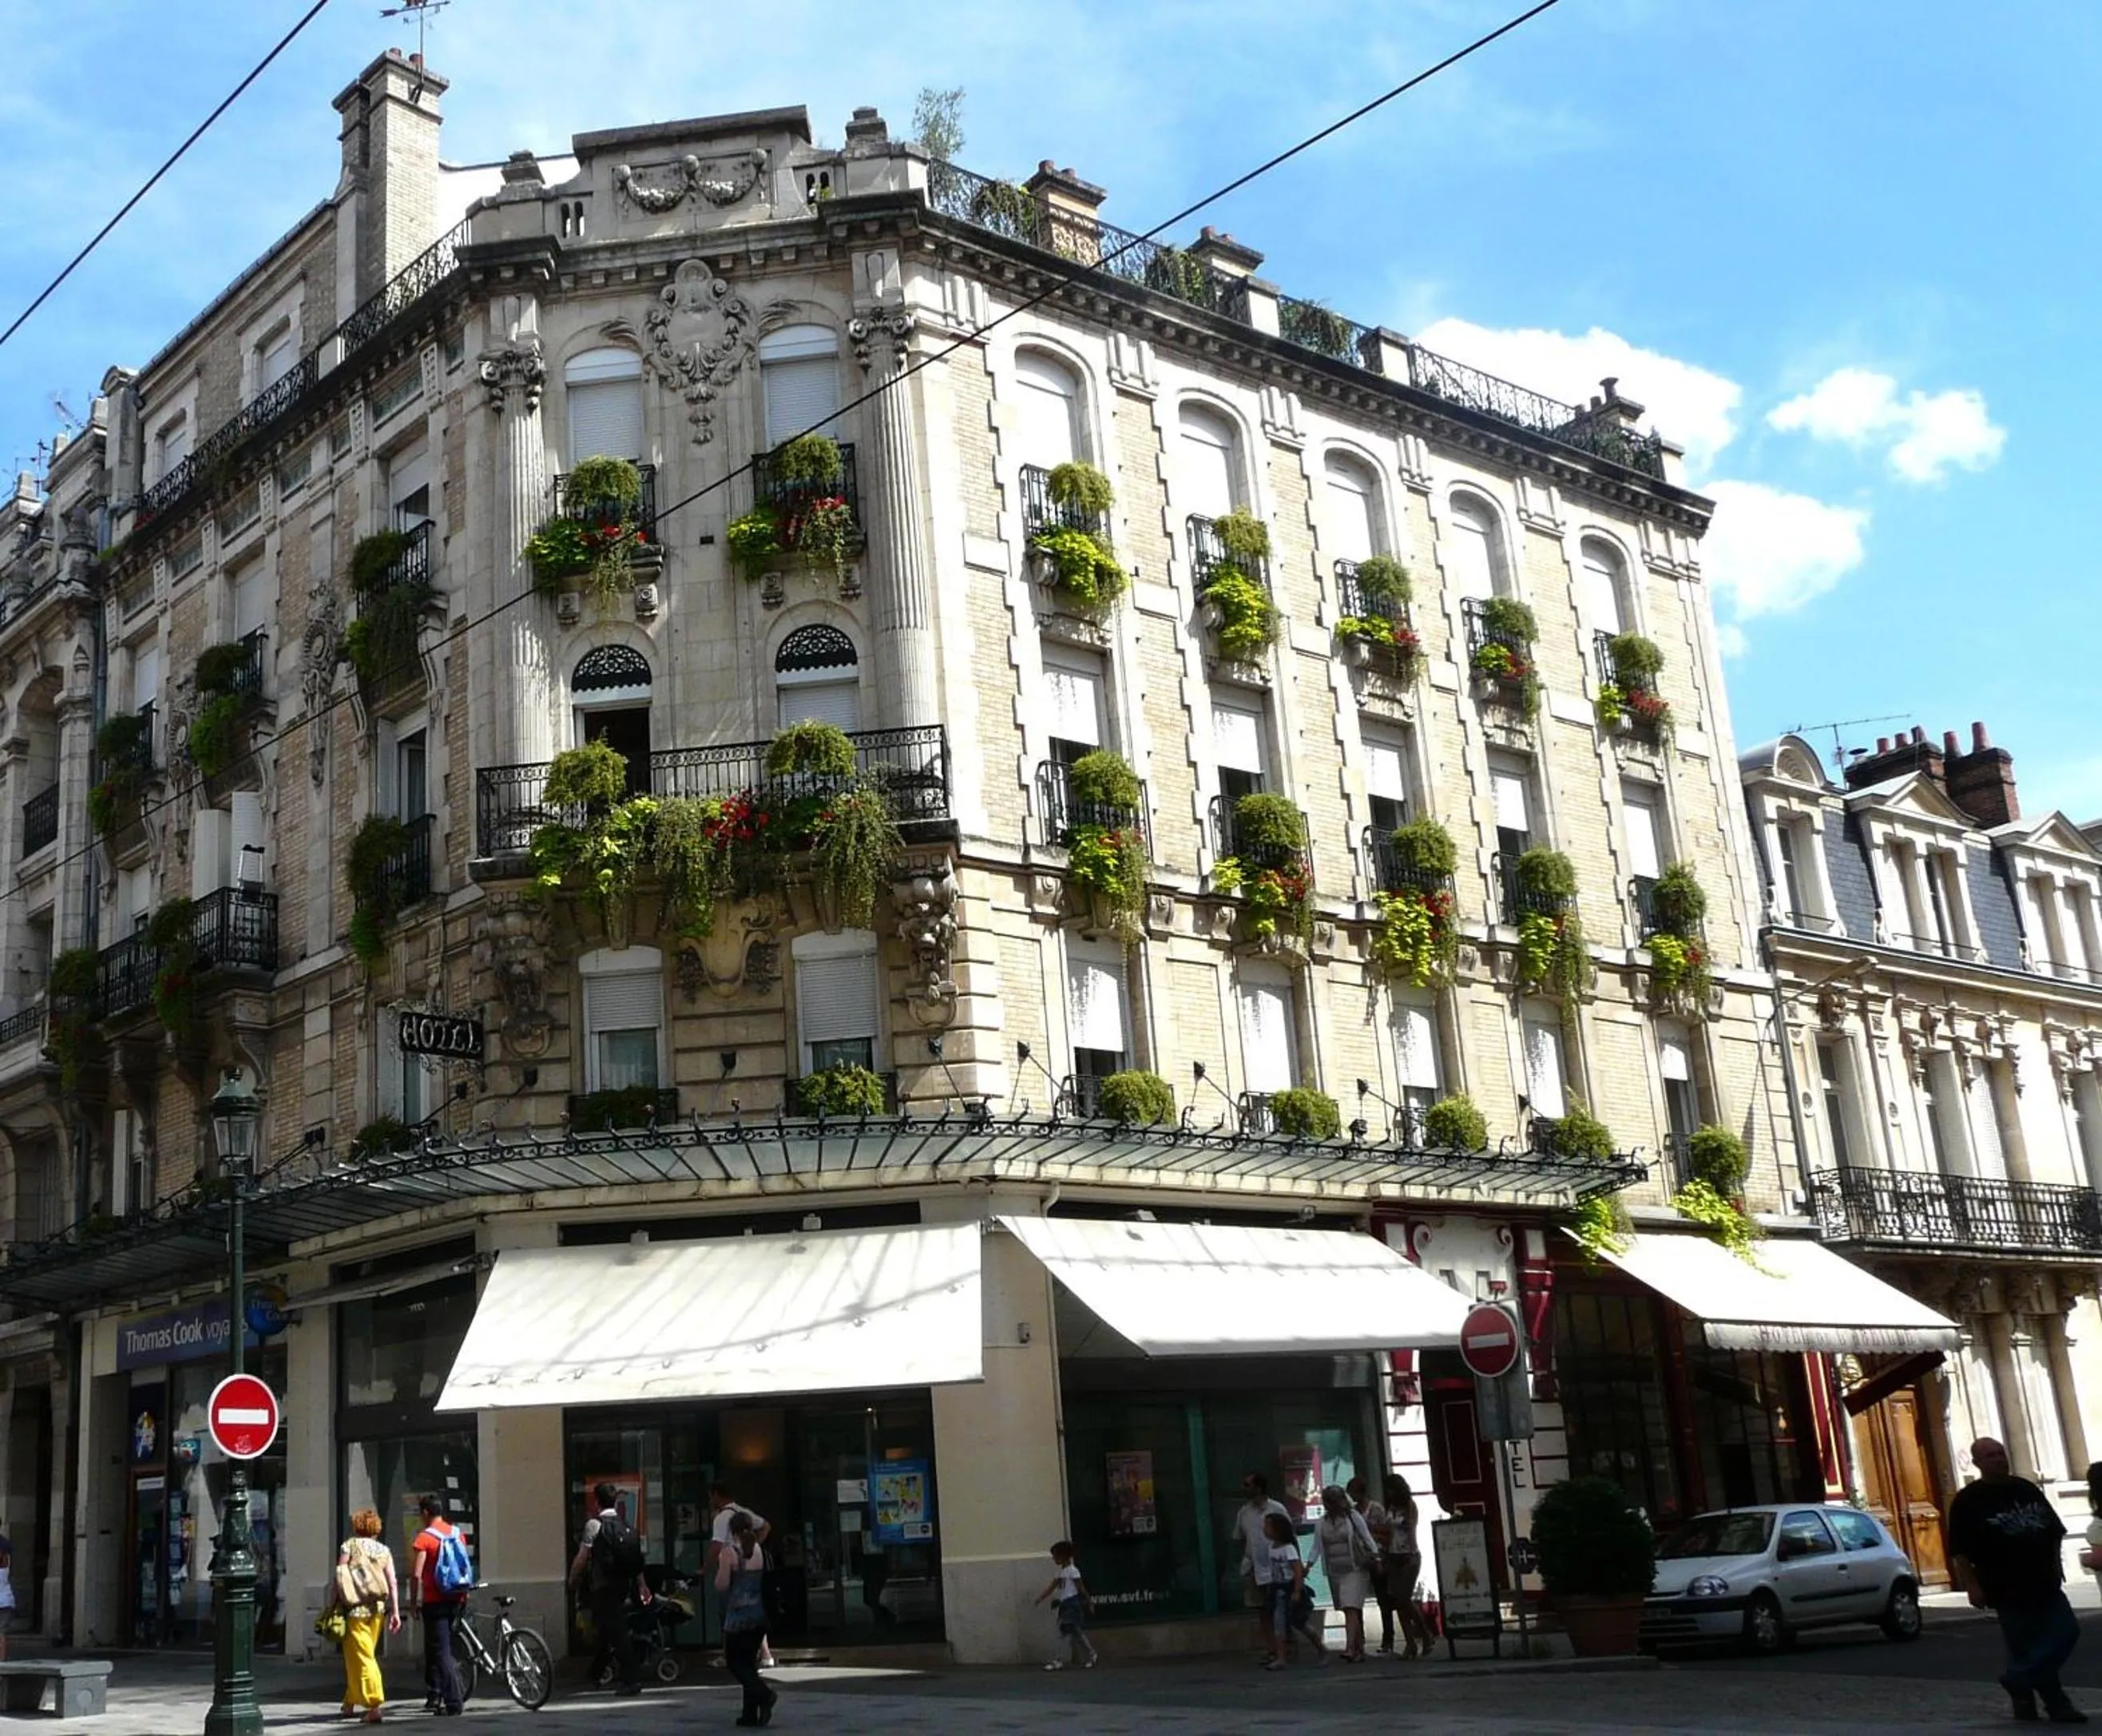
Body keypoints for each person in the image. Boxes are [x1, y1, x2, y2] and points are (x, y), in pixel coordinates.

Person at [1948, 1437, 2085, 1725]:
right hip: (2004, 1586)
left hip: (2045, 1581)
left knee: (2065, 1631)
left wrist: (2057, 1564)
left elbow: (2054, 1529)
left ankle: (2018, 1678)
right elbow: (1960, 1550)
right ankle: (2044, 1704)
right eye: (1991, 1456)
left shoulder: (2026, 1489)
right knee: (2024, 1644)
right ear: (1978, 1463)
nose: (1999, 1459)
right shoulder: (1968, 1500)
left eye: (2001, 1453)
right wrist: (1972, 1585)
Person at [569, 1483, 651, 1697]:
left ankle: (632, 1679)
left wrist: (572, 1579)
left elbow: (582, 1557)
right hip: (623, 1586)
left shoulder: (595, 1525)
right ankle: (595, 1673)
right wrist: (642, 1585)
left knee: (617, 1633)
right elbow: (636, 1561)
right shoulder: (626, 1525)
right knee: (606, 1630)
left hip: (603, 1587)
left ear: (597, 1502)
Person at [332, 1508, 401, 1725]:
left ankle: (374, 1705)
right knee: (361, 1655)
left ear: (357, 1526)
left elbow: (340, 1576)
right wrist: (396, 1611)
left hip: (355, 1609)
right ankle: (350, 1701)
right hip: (377, 1610)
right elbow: (392, 1582)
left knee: (362, 1657)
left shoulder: (349, 1546)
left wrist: (332, 1603)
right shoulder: (384, 1550)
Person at [716, 1510, 777, 1727]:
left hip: (738, 1618)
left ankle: (765, 1695)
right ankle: (749, 1714)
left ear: (732, 1531)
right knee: (748, 1664)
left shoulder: (729, 1553)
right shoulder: (758, 1549)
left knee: (734, 1663)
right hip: (758, 1615)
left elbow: (721, 1585)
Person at [409, 1495, 466, 1718]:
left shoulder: (425, 1538)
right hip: (457, 1597)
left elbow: (416, 1574)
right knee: (442, 1648)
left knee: (441, 1652)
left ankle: (454, 1701)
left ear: (425, 1513)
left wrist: (414, 1602)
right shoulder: (456, 1533)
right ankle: (435, 1694)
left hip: (435, 1601)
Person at [708, 1484, 776, 1670]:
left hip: (736, 1583)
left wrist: (707, 1569)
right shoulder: (757, 1550)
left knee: (730, 1619)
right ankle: (765, 1654)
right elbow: (766, 1526)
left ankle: (729, 1656)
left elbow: (721, 1583)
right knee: (754, 1617)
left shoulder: (728, 1548)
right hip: (753, 1589)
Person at [1371, 1473, 1434, 1659]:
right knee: (1398, 1602)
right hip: (1393, 1555)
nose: (1389, 1494)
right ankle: (1410, 1643)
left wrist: (1391, 1526)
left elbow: (1409, 1526)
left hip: (1409, 1556)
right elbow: (1386, 1530)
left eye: (1391, 1489)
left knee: (1404, 1598)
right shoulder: (1391, 1508)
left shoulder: (1409, 1506)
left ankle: (1425, 1634)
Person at [1314, 1484, 1378, 1662]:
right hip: (1335, 1571)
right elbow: (1316, 1547)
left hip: (1356, 1568)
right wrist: (1308, 1566)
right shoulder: (1322, 1523)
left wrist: (1376, 1557)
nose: (1331, 1505)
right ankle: (1359, 1647)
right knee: (1350, 1610)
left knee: (1351, 1607)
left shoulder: (1353, 1517)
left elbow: (1367, 1537)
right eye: (1328, 1502)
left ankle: (1350, 1648)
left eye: (1334, 1501)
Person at [1231, 1472, 1290, 1658]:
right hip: (1254, 1568)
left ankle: (1286, 1646)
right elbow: (1239, 1538)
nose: (1244, 1488)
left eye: (1247, 1484)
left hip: (1277, 1569)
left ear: (1259, 1488)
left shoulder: (1276, 1509)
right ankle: (1272, 1649)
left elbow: (1290, 1536)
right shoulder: (1244, 1512)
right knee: (1262, 1611)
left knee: (1281, 1610)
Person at [1032, 1540, 1097, 1671]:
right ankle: (1091, 1654)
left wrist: (1089, 1601)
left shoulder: (1073, 1571)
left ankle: (1058, 1660)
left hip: (1071, 1605)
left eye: (1056, 1556)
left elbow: (1080, 1587)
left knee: (1062, 1633)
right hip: (1066, 1605)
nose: (1054, 1559)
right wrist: (1041, 1598)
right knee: (1076, 1633)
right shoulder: (1060, 1573)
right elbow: (1052, 1588)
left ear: (1063, 1556)